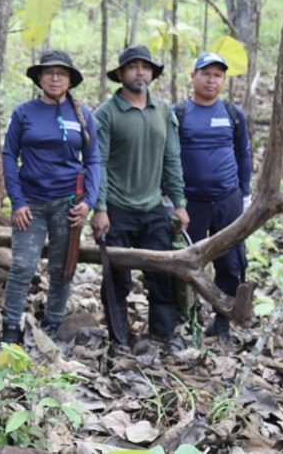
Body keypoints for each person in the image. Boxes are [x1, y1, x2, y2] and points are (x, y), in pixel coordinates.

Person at [91, 44, 189, 351]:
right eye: (133, 67)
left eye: (145, 67)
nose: (140, 72)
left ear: (152, 73)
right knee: (117, 278)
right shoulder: (106, 114)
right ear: (120, 74)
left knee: (161, 273)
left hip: (154, 207)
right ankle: (119, 339)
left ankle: (162, 336)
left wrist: (180, 204)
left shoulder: (163, 111)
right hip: (117, 209)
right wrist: (100, 208)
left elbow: (172, 159)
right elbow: (99, 163)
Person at [1, 50, 100, 344]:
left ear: (70, 79)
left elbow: (94, 159)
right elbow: (9, 155)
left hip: (68, 203)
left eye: (61, 73)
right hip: (30, 202)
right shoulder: (24, 113)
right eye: (49, 73)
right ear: (40, 78)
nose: (55, 78)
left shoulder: (83, 116)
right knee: (22, 265)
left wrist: (89, 203)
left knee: (62, 268)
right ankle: (10, 328)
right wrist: (16, 201)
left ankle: (53, 323)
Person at [176, 52, 251, 345]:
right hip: (190, 203)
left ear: (223, 81)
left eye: (217, 75)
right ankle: (186, 320)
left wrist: (245, 195)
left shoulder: (233, 114)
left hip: (227, 201)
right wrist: (170, 197)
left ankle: (222, 322)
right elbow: (168, 157)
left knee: (231, 264)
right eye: (205, 73)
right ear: (193, 76)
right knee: (184, 264)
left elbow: (243, 154)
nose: (211, 80)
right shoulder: (179, 113)